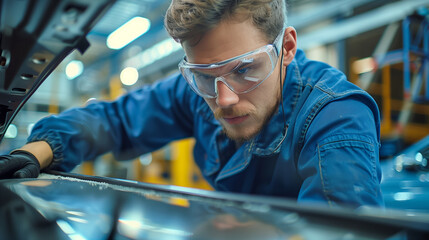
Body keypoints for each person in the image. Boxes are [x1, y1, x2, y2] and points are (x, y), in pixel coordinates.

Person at [0, 0, 383, 208]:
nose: (224, 98)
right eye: (203, 75)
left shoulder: (337, 118)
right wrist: (37, 152)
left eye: (246, 69)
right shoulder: (198, 91)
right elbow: (115, 120)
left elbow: (344, 228)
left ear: (286, 48)